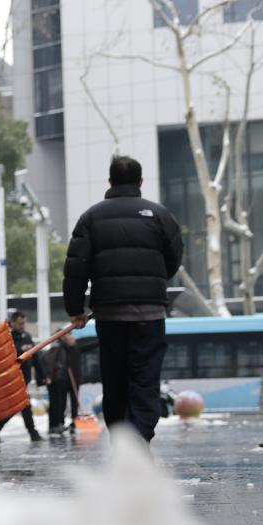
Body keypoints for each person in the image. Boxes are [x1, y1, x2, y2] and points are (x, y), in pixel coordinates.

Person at [63, 155, 183, 444]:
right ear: (141, 181)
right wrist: (152, 283)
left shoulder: (91, 218)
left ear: (110, 181)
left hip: (109, 315)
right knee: (145, 379)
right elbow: (174, 258)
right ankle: (139, 437)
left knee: (115, 379)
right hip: (150, 314)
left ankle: (121, 438)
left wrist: (75, 309)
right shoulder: (160, 215)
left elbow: (76, 267)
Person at [0, 310, 44, 443]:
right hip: (12, 378)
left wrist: (42, 375)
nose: (22, 326)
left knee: (18, 406)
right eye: (19, 323)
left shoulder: (27, 336)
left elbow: (35, 358)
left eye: (23, 323)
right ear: (13, 323)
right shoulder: (8, 338)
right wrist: (20, 350)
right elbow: (4, 357)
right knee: (24, 405)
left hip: (24, 378)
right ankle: (33, 433)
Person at [42, 331, 80, 435]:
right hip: (57, 380)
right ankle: (56, 425)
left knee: (61, 403)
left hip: (62, 379)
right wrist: (49, 377)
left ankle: (60, 424)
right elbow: (50, 363)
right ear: (61, 337)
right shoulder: (57, 347)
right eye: (67, 335)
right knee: (57, 404)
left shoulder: (69, 347)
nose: (70, 337)